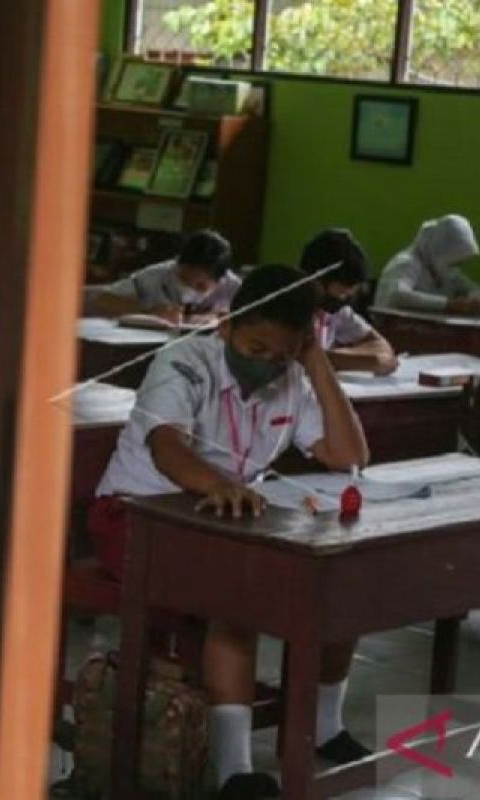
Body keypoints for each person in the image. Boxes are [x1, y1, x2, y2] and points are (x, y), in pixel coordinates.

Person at [90, 265, 372, 798]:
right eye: (255, 347)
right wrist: (217, 485)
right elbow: (167, 446)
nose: (266, 363)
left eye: (281, 355)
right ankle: (234, 771)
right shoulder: (182, 362)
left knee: (338, 579)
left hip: (227, 523)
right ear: (228, 324)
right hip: (134, 516)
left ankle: (326, 726)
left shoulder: (291, 375)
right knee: (234, 594)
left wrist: (314, 361)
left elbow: (348, 454)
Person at [299, 228, 398, 376]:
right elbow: (299, 359)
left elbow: (381, 348)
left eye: (349, 292)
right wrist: (368, 360)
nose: (344, 298)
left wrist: (330, 356)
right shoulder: (289, 309)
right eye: (342, 290)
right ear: (316, 279)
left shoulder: (338, 310)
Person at [90, 229, 240, 323]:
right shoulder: (155, 276)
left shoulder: (233, 286)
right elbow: (104, 299)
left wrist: (215, 317)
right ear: (178, 263)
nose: (189, 289)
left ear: (220, 280)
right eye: (184, 279)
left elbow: (250, 318)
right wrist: (150, 312)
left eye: (201, 286)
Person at [374, 214, 480, 314]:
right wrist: (449, 305)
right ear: (442, 250)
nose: (457, 267)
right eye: (455, 261)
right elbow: (397, 295)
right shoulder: (406, 263)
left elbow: (475, 290)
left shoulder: (443, 269)